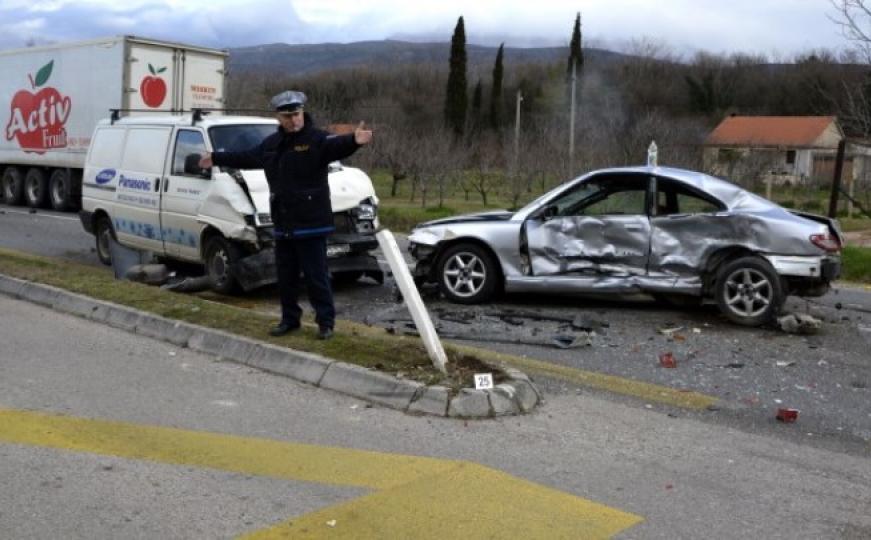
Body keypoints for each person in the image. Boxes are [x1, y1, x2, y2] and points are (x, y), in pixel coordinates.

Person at [198, 90, 373, 340]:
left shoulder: (316, 139)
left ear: (303, 113)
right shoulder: (272, 144)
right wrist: (215, 158)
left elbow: (337, 145)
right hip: (284, 223)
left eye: (297, 114)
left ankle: (326, 323)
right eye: (288, 116)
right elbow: (247, 157)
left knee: (316, 277)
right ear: (279, 117)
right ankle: (290, 320)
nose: (294, 120)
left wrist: (354, 140)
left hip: (311, 223)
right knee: (286, 278)